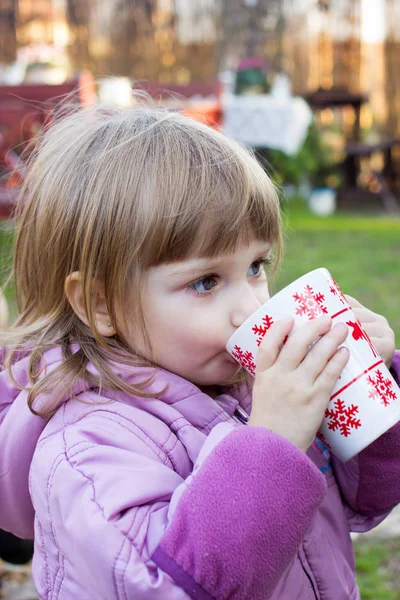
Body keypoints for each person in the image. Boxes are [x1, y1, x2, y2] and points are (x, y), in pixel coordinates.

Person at [0, 105, 399, 600]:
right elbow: (167, 588)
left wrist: (368, 387)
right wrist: (270, 446)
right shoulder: (86, 447)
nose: (251, 308)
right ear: (100, 305)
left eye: (256, 266)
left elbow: (368, 498)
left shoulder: (252, 387)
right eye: (206, 281)